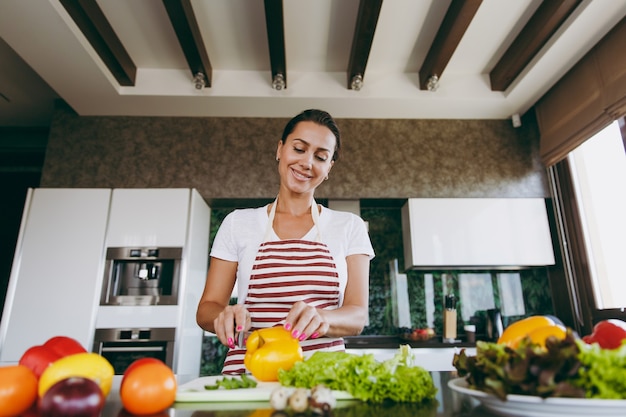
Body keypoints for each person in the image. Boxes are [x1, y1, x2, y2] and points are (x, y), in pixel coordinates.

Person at [196, 109, 375, 375]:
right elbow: (207, 308)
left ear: (328, 169)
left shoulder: (350, 227)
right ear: (280, 149)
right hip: (250, 374)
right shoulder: (237, 223)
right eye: (299, 149)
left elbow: (358, 315)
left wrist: (323, 319)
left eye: (321, 156)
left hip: (324, 375)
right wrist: (224, 315)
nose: (307, 162)